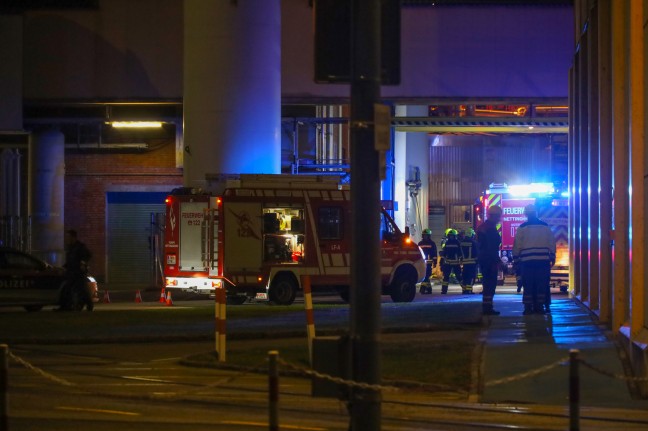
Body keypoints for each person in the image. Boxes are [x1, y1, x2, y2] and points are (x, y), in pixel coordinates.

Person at [513, 204, 556, 315]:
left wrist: (516, 258)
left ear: (526, 214)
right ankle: (539, 307)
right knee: (541, 284)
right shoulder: (545, 226)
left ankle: (528, 307)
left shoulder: (522, 227)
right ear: (536, 213)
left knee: (528, 284)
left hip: (527, 261)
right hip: (543, 260)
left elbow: (517, 244)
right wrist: (552, 256)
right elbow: (551, 241)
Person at [476, 205, 502, 315]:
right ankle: (487, 307)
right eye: (498, 216)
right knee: (490, 284)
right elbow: (491, 247)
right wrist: (497, 260)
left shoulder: (483, 227)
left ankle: (487, 306)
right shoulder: (490, 229)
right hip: (489, 260)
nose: (499, 218)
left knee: (487, 283)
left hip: (484, 259)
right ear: (495, 216)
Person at [58, 229, 93, 311]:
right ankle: (65, 307)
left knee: (83, 290)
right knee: (67, 289)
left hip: (79, 272)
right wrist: (63, 267)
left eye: (68, 237)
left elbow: (88, 255)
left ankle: (89, 305)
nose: (67, 239)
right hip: (71, 272)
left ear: (73, 237)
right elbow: (70, 260)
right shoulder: (70, 248)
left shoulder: (80, 246)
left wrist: (83, 263)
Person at [440, 229, 462, 294]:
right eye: (450, 236)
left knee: (458, 276)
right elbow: (444, 252)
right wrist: (442, 261)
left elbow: (460, 252)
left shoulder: (457, 243)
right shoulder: (448, 243)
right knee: (446, 277)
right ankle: (444, 290)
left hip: (455, 262)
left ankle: (464, 288)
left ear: (455, 236)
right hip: (448, 262)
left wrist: (460, 259)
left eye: (452, 236)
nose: (451, 237)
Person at [418, 228, 438, 294]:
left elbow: (434, 253)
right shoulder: (420, 243)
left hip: (429, 262)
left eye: (426, 235)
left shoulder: (432, 243)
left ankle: (422, 289)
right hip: (421, 262)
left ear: (429, 236)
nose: (425, 236)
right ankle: (429, 290)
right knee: (425, 276)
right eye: (424, 235)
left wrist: (435, 262)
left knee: (426, 275)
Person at [459, 228, 478, 294]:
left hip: (465, 263)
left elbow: (460, 253)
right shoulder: (473, 242)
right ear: (471, 235)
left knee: (465, 277)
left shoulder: (462, 242)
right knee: (471, 277)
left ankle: (464, 290)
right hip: (472, 262)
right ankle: (469, 290)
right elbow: (476, 253)